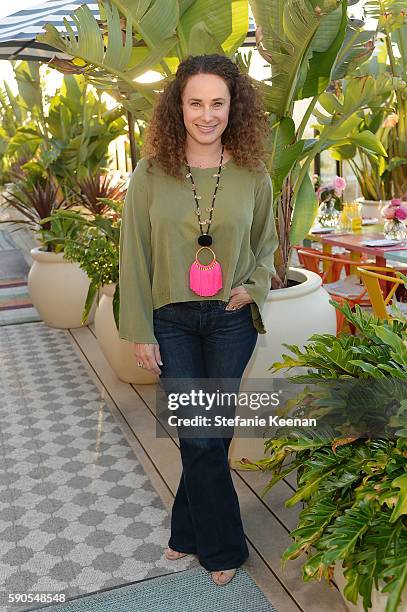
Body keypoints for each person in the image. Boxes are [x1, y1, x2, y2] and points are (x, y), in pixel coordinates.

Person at [119, 54, 278, 586]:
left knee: (207, 434)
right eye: (195, 103)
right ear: (178, 107)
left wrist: (249, 288)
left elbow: (264, 243)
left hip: (231, 320)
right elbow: (134, 255)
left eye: (218, 103)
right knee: (203, 434)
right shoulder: (151, 172)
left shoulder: (253, 171)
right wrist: (139, 329)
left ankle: (186, 534)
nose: (206, 115)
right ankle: (225, 548)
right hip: (172, 321)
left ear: (235, 107)